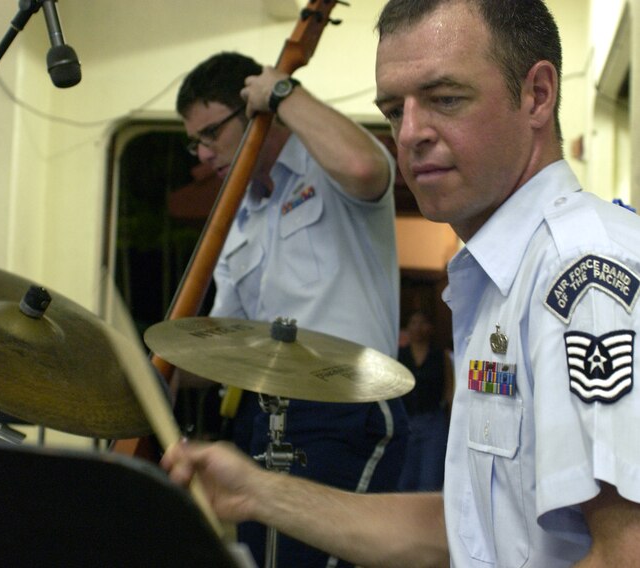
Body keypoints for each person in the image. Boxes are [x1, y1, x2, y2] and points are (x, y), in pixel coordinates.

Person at [162, 1, 640, 566]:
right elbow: (470, 531)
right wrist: (257, 491)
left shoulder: (580, 272)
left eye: (445, 99)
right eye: (393, 110)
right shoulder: (496, 283)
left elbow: (625, 550)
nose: (409, 134)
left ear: (536, 95)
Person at [175, 52, 408, 566]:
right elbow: (227, 340)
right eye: (195, 141)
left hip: (348, 405)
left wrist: (284, 92)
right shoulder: (239, 220)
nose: (203, 152)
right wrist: (151, 360)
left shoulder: (324, 161)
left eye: (211, 132)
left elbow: (366, 167)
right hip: (268, 419)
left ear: (253, 107)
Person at [396, 311, 451, 492]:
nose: (417, 328)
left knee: (430, 480)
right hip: (405, 421)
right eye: (413, 323)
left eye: (422, 323)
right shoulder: (399, 356)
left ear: (430, 328)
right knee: (403, 479)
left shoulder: (440, 356)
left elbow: (449, 389)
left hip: (432, 422)